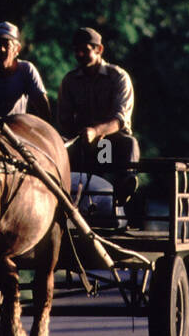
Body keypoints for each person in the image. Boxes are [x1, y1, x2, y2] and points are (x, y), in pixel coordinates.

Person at [57, 27, 140, 206]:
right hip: (81, 145)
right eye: (76, 50)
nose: (79, 54)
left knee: (129, 143)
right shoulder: (70, 81)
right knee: (57, 147)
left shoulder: (117, 77)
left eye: (85, 50)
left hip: (109, 144)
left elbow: (121, 119)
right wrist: (76, 134)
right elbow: (64, 119)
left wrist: (96, 131)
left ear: (99, 50)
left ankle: (124, 190)